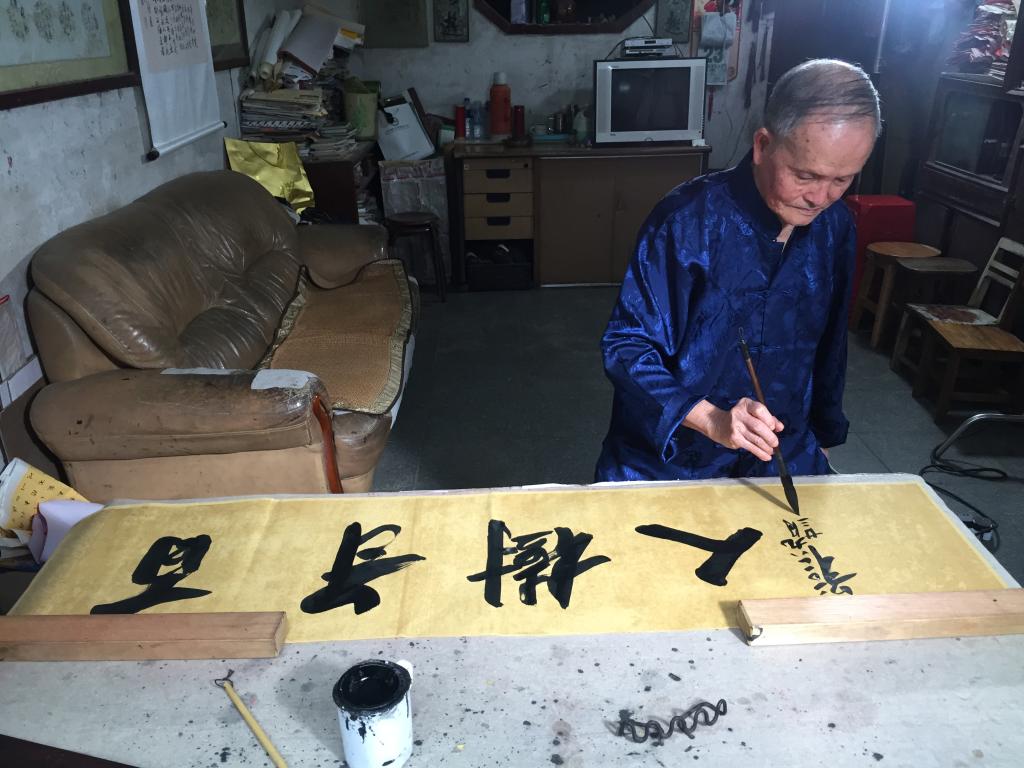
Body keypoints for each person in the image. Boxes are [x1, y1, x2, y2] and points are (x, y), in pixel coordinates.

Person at [596, 59, 880, 482]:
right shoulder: (687, 220)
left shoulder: (834, 226)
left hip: (781, 448)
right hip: (671, 455)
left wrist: (823, 434)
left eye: (842, 180)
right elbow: (627, 346)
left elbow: (831, 343)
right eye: (805, 176)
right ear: (763, 145)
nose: (820, 197)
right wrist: (711, 419)